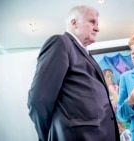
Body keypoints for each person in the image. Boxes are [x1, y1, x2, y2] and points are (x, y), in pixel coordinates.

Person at [27, 5, 120, 141]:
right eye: (92, 22)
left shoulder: (85, 53)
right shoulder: (60, 43)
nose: (97, 28)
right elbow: (39, 100)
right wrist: (49, 136)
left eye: (97, 24)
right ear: (74, 22)